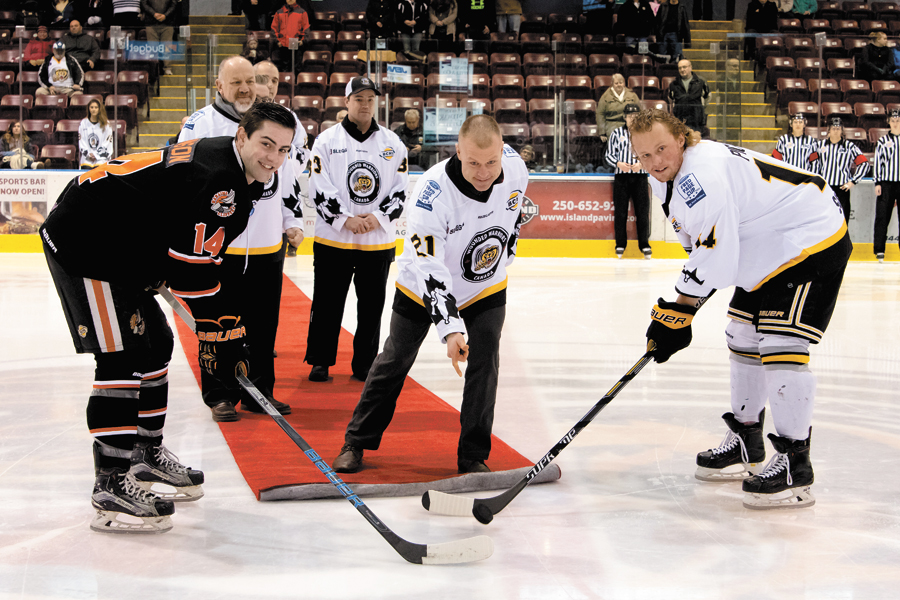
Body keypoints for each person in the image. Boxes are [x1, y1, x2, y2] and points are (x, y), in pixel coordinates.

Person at [40, 102, 297, 534]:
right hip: (86, 242)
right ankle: (112, 481)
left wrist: (223, 328)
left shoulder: (233, 170)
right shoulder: (223, 182)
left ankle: (144, 455)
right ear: (241, 137)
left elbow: (191, 256)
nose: (273, 157)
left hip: (121, 244)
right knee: (121, 356)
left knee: (156, 344)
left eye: (283, 149)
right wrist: (222, 330)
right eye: (265, 143)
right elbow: (190, 274)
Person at [630, 107, 851, 510]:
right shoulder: (668, 176)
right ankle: (747, 441)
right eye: (644, 155)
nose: (655, 162)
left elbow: (715, 255)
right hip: (764, 239)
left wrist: (677, 312)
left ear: (681, 138)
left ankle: (794, 466)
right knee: (742, 334)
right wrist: (678, 313)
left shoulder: (701, 177)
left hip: (808, 235)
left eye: (661, 149)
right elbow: (709, 252)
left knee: (781, 341)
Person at [331, 114, 526, 475]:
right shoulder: (430, 194)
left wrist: (504, 256)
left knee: (486, 364)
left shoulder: (516, 168)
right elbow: (430, 268)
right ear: (457, 152)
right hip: (422, 283)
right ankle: (356, 441)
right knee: (395, 359)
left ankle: (473, 454)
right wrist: (451, 329)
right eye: (473, 163)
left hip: (485, 283)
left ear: (503, 151)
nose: (483, 172)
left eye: (491, 162)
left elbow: (512, 218)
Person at [179, 55, 307, 422]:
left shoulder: (279, 121)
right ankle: (220, 394)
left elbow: (288, 177)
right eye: (236, 82)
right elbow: (185, 184)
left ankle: (260, 392)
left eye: (250, 80)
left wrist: (290, 219)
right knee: (218, 326)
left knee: (264, 324)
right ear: (219, 86)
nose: (246, 88)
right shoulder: (199, 124)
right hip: (220, 248)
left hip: (267, 245)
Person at [305, 76, 409, 383]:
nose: (365, 105)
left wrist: (376, 218)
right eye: (358, 99)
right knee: (326, 301)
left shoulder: (393, 143)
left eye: (370, 99)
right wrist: (345, 220)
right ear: (346, 101)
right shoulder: (326, 141)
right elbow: (318, 187)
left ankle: (364, 363)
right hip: (333, 239)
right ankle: (320, 360)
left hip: (377, 241)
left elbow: (400, 191)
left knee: (372, 306)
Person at [605, 103, 651, 259]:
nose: (632, 118)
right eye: (630, 116)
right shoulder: (616, 133)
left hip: (640, 176)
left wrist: (642, 164)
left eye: (635, 115)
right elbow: (609, 155)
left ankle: (644, 244)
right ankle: (620, 244)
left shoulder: (645, 133)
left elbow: (650, 154)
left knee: (642, 212)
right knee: (621, 212)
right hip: (621, 177)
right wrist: (618, 163)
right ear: (624, 117)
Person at [809, 118, 869, 225]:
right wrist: (815, 182)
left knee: (843, 221)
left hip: (842, 188)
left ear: (842, 130)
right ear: (829, 130)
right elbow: (812, 164)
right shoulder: (819, 146)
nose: (836, 130)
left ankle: (842, 242)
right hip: (826, 188)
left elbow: (864, 164)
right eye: (833, 128)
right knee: (824, 219)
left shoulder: (849, 146)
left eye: (838, 128)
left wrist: (853, 181)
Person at [872, 110, 900, 263]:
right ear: (889, 122)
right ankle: (879, 250)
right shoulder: (883, 141)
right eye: (893, 120)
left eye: (898, 119)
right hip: (886, 184)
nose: (896, 122)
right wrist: (877, 182)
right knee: (882, 217)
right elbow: (878, 163)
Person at [596, 74, 641, 144]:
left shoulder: (632, 95)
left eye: (621, 83)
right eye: (616, 83)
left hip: (629, 123)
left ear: (624, 83)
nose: (619, 85)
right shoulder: (605, 96)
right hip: (612, 124)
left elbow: (640, 111)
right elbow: (600, 114)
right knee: (615, 141)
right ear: (612, 84)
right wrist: (602, 132)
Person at [668, 59, 710, 132]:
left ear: (690, 67)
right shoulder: (674, 84)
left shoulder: (700, 82)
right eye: (680, 68)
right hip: (680, 119)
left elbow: (707, 97)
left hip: (697, 120)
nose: (682, 70)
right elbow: (671, 99)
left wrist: (701, 109)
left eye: (684, 67)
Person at [270, 0, 309, 72]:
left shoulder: (302, 12)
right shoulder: (279, 12)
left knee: (297, 68)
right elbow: (274, 28)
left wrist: (303, 41)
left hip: (297, 45)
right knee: (285, 68)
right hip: (283, 46)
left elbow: (306, 28)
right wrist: (277, 41)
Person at [141, 0, 177, 76]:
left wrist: (165, 15)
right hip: (151, 23)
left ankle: (167, 68)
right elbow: (144, 4)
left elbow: (173, 5)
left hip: (167, 23)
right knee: (153, 48)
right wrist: (154, 14)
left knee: (167, 47)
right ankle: (154, 71)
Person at [78, 98, 114, 169]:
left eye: (96, 107)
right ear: (89, 109)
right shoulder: (83, 123)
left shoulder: (106, 124)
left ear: (99, 109)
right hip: (87, 158)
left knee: (98, 170)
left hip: (101, 158)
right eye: (91, 107)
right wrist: (88, 154)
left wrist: (97, 155)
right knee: (86, 168)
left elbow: (107, 143)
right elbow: (82, 141)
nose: (93, 109)